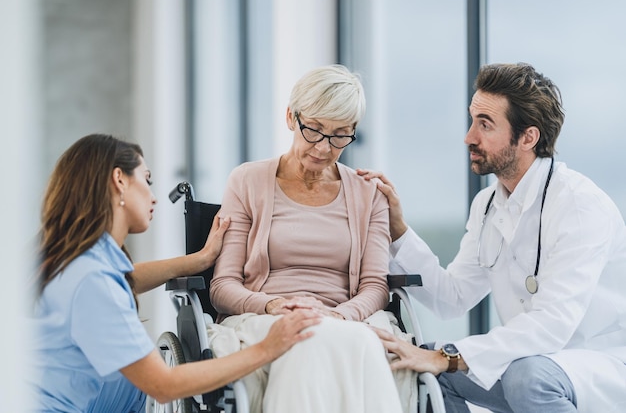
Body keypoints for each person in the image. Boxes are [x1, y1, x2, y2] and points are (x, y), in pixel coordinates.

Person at [359, 62, 626, 413]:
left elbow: (553, 325)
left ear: (528, 137)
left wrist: (450, 357)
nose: (469, 137)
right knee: (424, 369)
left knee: (525, 377)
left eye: (485, 125)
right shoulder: (487, 204)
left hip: (597, 362)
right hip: (529, 363)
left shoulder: (578, 204)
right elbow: (452, 298)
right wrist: (398, 230)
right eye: (472, 121)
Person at [28, 133, 322, 412]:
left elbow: (128, 279)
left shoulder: (80, 263)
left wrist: (200, 259)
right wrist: (268, 348)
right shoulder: (93, 279)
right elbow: (163, 385)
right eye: (146, 180)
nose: (154, 197)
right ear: (119, 179)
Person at [208, 64, 413, 413]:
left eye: (339, 135)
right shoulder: (247, 181)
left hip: (348, 319)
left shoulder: (369, 194)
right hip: (264, 318)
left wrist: (339, 316)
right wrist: (273, 305)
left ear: (353, 133)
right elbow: (222, 287)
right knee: (304, 336)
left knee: (321, 335)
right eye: (314, 130)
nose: (323, 147)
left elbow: (375, 287)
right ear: (291, 117)